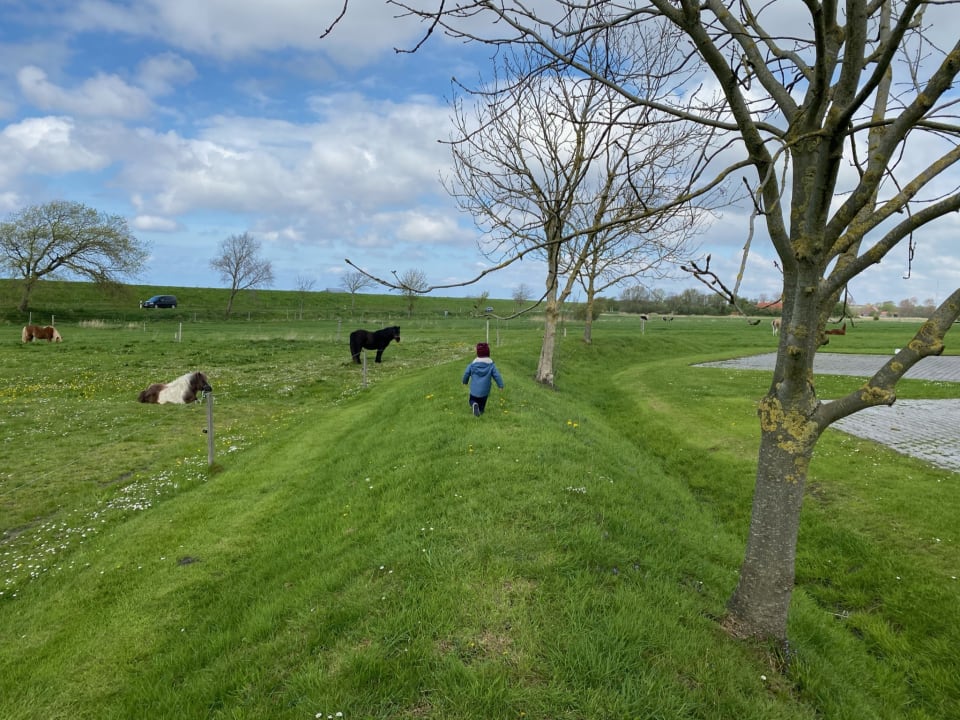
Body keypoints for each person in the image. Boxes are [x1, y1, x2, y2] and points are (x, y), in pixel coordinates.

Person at [462, 342, 504, 416]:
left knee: (471, 400)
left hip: (474, 389)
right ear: (488, 353)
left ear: (477, 353)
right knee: (482, 402)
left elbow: (466, 373)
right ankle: (480, 411)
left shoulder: (472, 365)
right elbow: (497, 375)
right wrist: (500, 385)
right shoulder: (491, 365)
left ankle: (474, 405)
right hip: (485, 390)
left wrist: (465, 381)